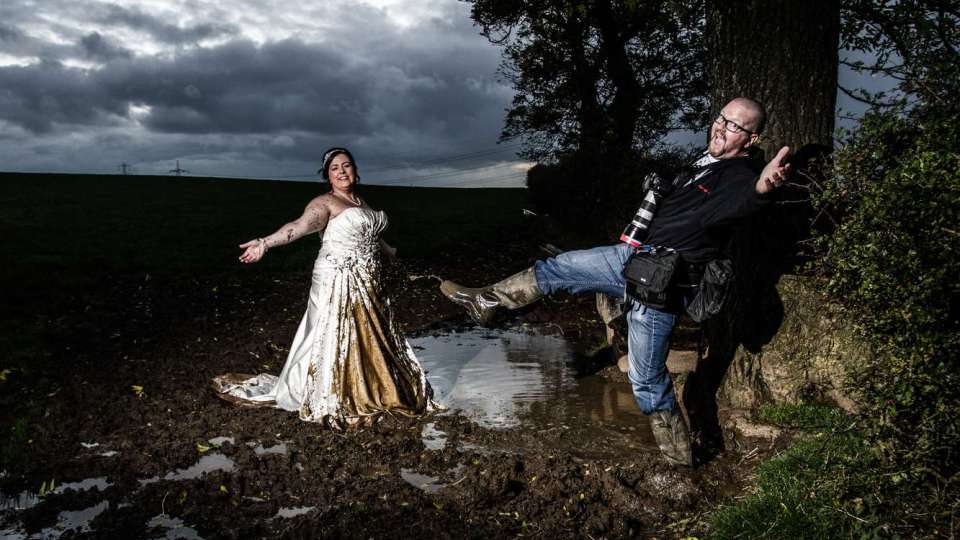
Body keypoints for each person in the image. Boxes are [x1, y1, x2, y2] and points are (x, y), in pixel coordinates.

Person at [439, 98, 791, 466]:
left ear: (751, 140)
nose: (721, 127)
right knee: (558, 268)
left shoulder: (737, 177)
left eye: (735, 126)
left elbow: (745, 200)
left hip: (661, 286)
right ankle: (487, 302)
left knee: (646, 380)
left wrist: (763, 187)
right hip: (631, 258)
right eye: (721, 118)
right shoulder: (700, 163)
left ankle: (680, 462)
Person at [213, 147, 437, 427]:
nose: (342, 171)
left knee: (368, 334)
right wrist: (264, 243)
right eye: (335, 168)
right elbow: (298, 226)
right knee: (336, 333)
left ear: (355, 169)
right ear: (327, 175)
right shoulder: (325, 203)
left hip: (369, 280)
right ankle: (336, 387)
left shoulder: (359, 201)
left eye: (347, 165)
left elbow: (369, 234)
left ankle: (373, 382)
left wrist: (391, 252)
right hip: (338, 277)